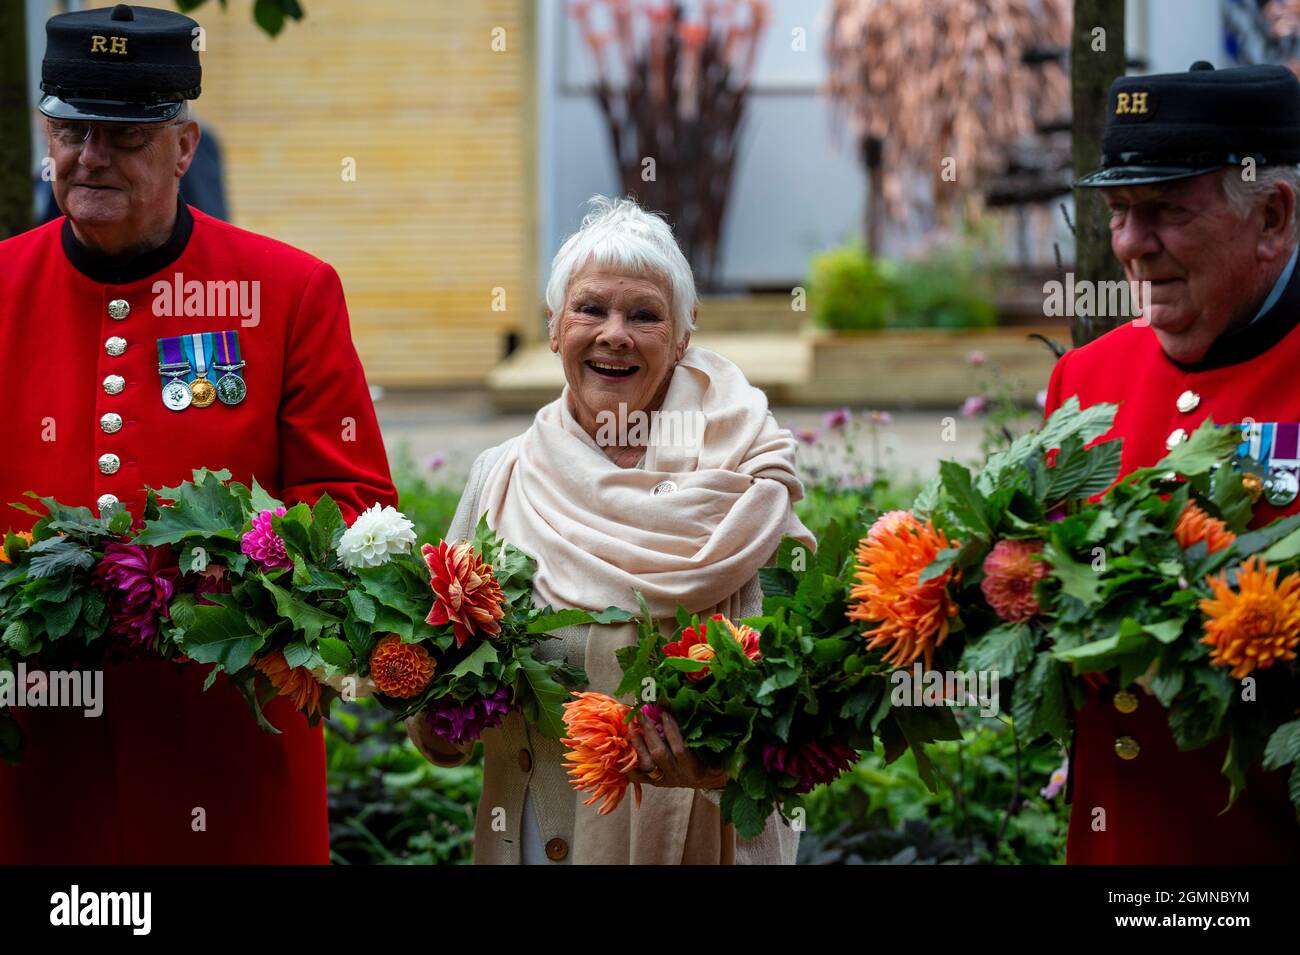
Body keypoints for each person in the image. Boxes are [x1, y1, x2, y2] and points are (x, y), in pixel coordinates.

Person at [0, 3, 396, 863]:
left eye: (126, 135)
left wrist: (229, 576)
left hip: (228, 755)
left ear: (184, 145)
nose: (90, 156)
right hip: (39, 765)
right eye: (70, 129)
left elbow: (355, 507)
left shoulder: (288, 291)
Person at [407, 196, 814, 864]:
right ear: (554, 327)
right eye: (591, 308)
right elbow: (438, 687)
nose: (614, 333)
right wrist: (436, 719)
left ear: (682, 337)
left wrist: (723, 760)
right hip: (538, 843)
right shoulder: (500, 478)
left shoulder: (752, 487)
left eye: (644, 314)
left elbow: (799, 712)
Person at [1045, 60, 1300, 863]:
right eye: (1119, 210)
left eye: (1164, 210)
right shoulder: (1083, 381)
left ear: (1273, 217)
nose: (1129, 244)